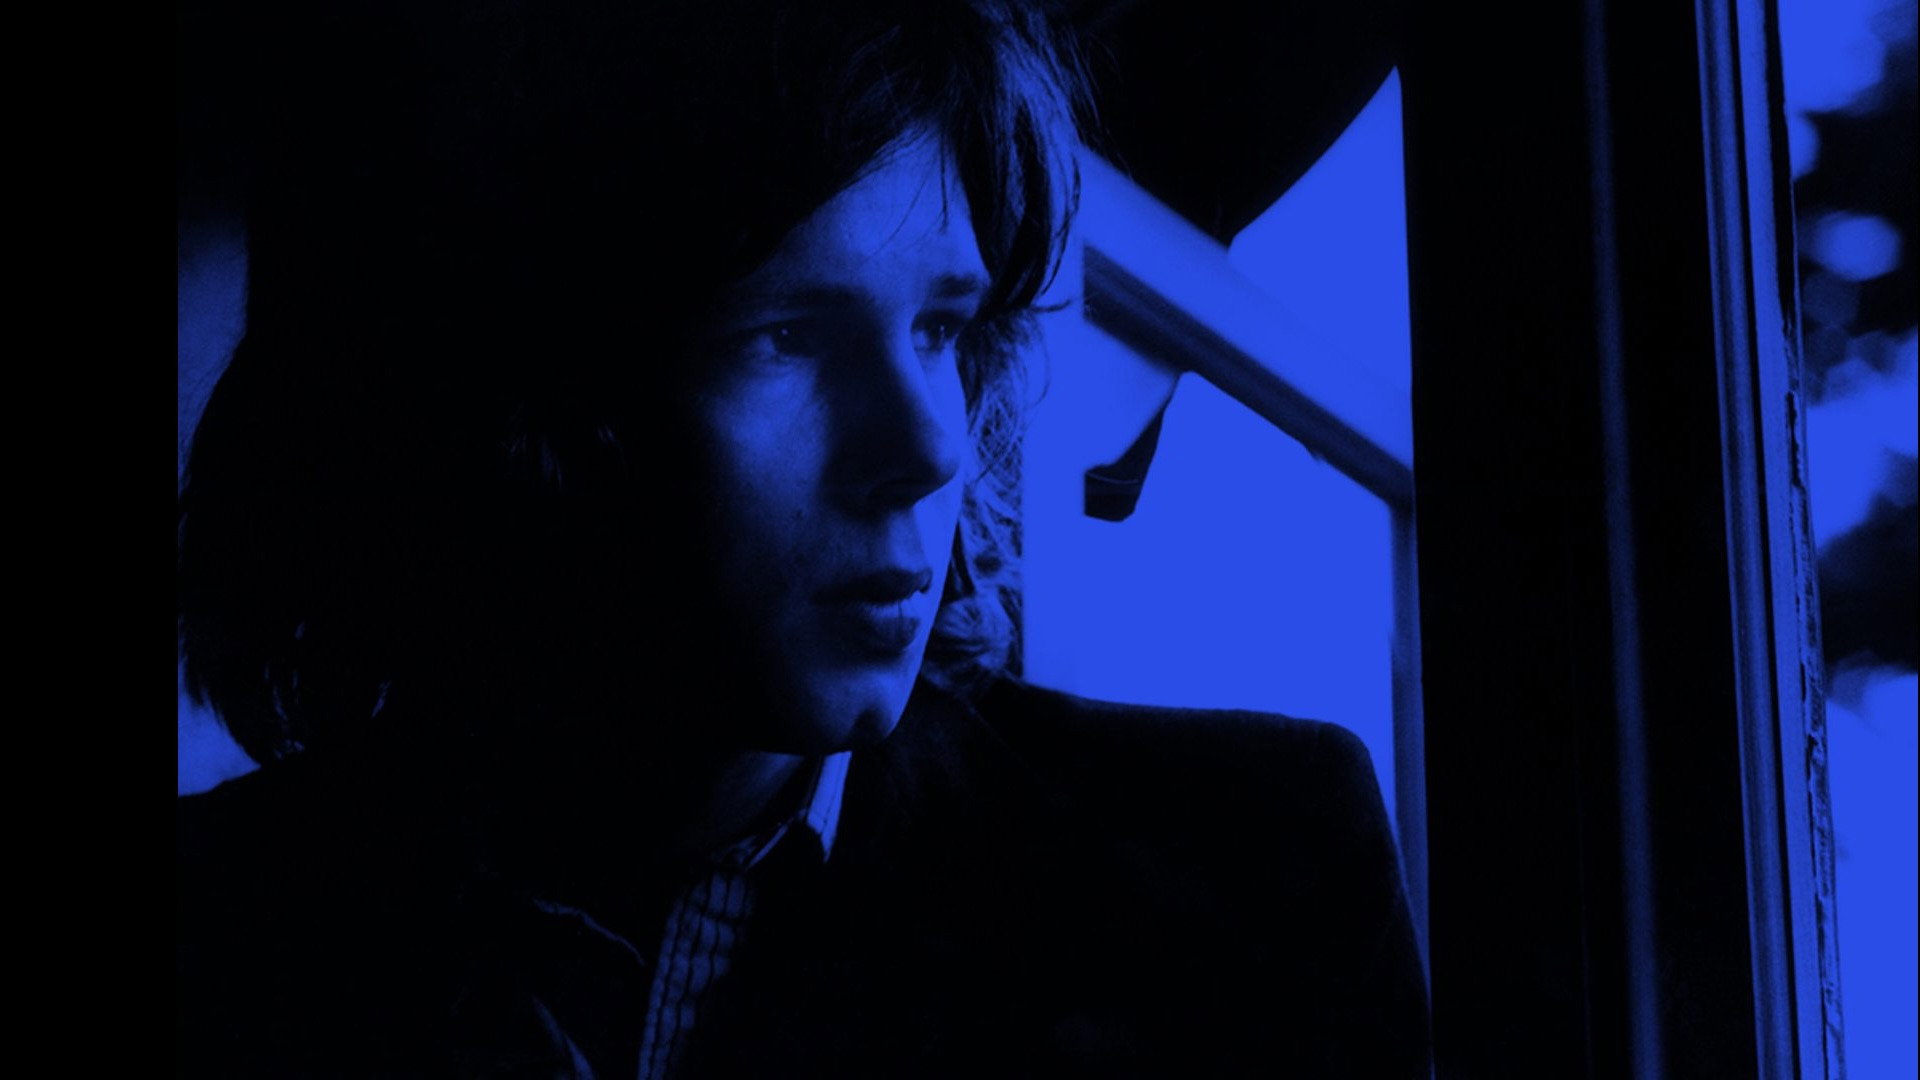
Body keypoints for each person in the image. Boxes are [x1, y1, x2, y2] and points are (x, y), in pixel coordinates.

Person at [176, 1, 1431, 1075]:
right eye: (790, 337)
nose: (930, 448)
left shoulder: (1255, 880)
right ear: (543, 403)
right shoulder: (226, 932)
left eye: (941, 328)